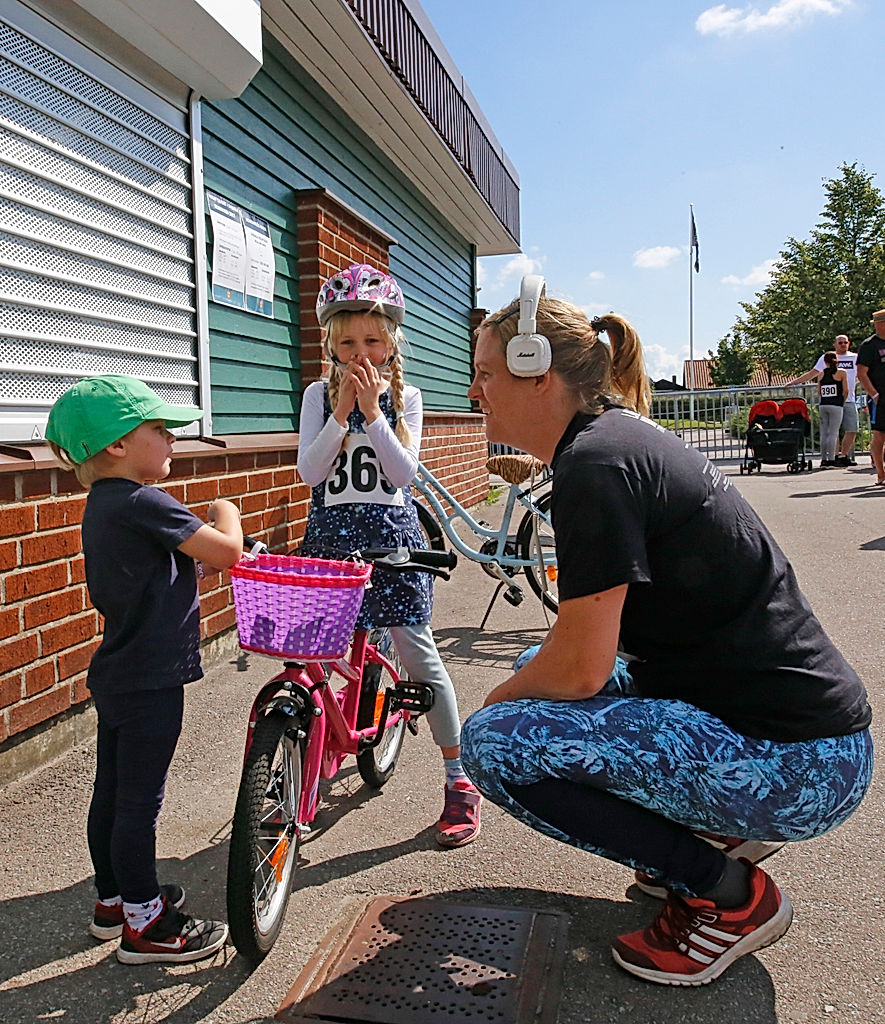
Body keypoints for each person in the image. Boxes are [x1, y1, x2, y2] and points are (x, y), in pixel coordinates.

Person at [459, 277, 873, 986]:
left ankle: (729, 896)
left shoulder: (595, 464)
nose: (476, 392)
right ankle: (713, 837)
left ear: (536, 373)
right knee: (536, 676)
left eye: (486, 373)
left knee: (495, 742)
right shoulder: (611, 442)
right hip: (801, 737)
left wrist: (499, 699)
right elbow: (571, 653)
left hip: (801, 766)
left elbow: (583, 668)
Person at [45, 376, 244, 964]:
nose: (172, 439)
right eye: (160, 429)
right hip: (152, 678)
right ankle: (147, 925)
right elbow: (227, 552)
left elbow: (163, 568)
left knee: (111, 794)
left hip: (121, 671)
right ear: (116, 446)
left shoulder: (106, 505)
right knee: (139, 804)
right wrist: (225, 510)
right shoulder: (144, 500)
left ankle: (114, 902)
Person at [296, 264, 481, 847]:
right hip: (330, 534)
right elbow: (310, 472)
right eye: (347, 342)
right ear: (331, 344)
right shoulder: (314, 396)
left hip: (390, 536)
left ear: (391, 341)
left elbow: (403, 473)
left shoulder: (410, 397)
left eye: (372, 340)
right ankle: (316, 750)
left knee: (418, 653)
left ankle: (459, 780)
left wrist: (373, 415)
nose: (360, 352)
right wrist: (340, 413)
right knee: (321, 653)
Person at [788, 335, 858, 465]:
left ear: (849, 344)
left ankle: (843, 455)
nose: (843, 345)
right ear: (835, 344)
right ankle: (833, 456)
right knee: (833, 431)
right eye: (840, 342)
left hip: (849, 400)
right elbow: (812, 373)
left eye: (845, 342)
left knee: (852, 428)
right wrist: (794, 382)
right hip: (834, 401)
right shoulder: (826, 358)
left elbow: (864, 374)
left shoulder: (855, 358)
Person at [856, 309, 885, 485]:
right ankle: (881, 474)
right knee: (880, 435)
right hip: (880, 398)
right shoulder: (869, 346)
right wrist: (873, 394)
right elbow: (861, 372)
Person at [815, 351, 848, 467]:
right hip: (836, 405)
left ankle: (823, 459)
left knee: (824, 433)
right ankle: (831, 459)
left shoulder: (821, 374)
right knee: (833, 433)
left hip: (823, 405)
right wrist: (842, 402)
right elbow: (846, 391)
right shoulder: (841, 373)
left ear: (825, 362)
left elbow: (819, 392)